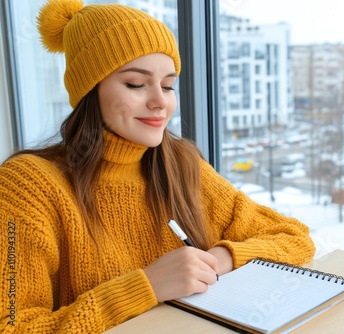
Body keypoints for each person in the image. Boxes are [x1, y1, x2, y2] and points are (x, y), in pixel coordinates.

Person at [0, 0, 316, 332]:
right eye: (136, 84)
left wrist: (220, 260)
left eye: (168, 85)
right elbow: (12, 325)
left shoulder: (181, 165)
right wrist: (146, 286)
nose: (160, 101)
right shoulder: (26, 186)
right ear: (89, 92)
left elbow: (294, 237)